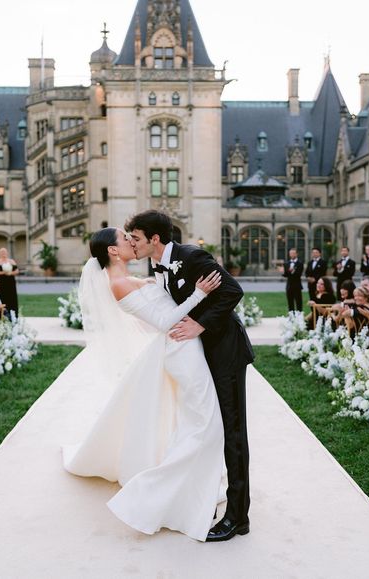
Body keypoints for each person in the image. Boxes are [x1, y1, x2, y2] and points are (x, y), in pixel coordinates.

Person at [63, 227, 229, 543]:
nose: (131, 241)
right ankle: (157, 494)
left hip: (185, 348)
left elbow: (160, 302)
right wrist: (200, 294)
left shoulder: (131, 278)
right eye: (125, 238)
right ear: (113, 251)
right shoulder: (119, 284)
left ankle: (192, 485)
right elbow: (165, 322)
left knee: (197, 424)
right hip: (181, 350)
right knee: (206, 425)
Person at [126, 210, 254, 542]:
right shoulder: (156, 265)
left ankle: (238, 517)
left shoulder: (192, 256)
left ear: (155, 239)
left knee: (232, 432)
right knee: (209, 428)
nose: (131, 244)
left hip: (225, 352)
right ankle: (206, 497)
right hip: (201, 356)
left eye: (136, 238)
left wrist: (200, 323)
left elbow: (232, 290)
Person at [0, 247, 19, 315]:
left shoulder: (11, 261)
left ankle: (13, 312)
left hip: (10, 282)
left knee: (11, 296)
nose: (3, 253)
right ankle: (2, 312)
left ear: (7, 253)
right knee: (1, 296)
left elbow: (16, 271)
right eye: (2, 252)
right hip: (1, 282)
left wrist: (10, 273)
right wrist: (3, 273)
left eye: (4, 252)